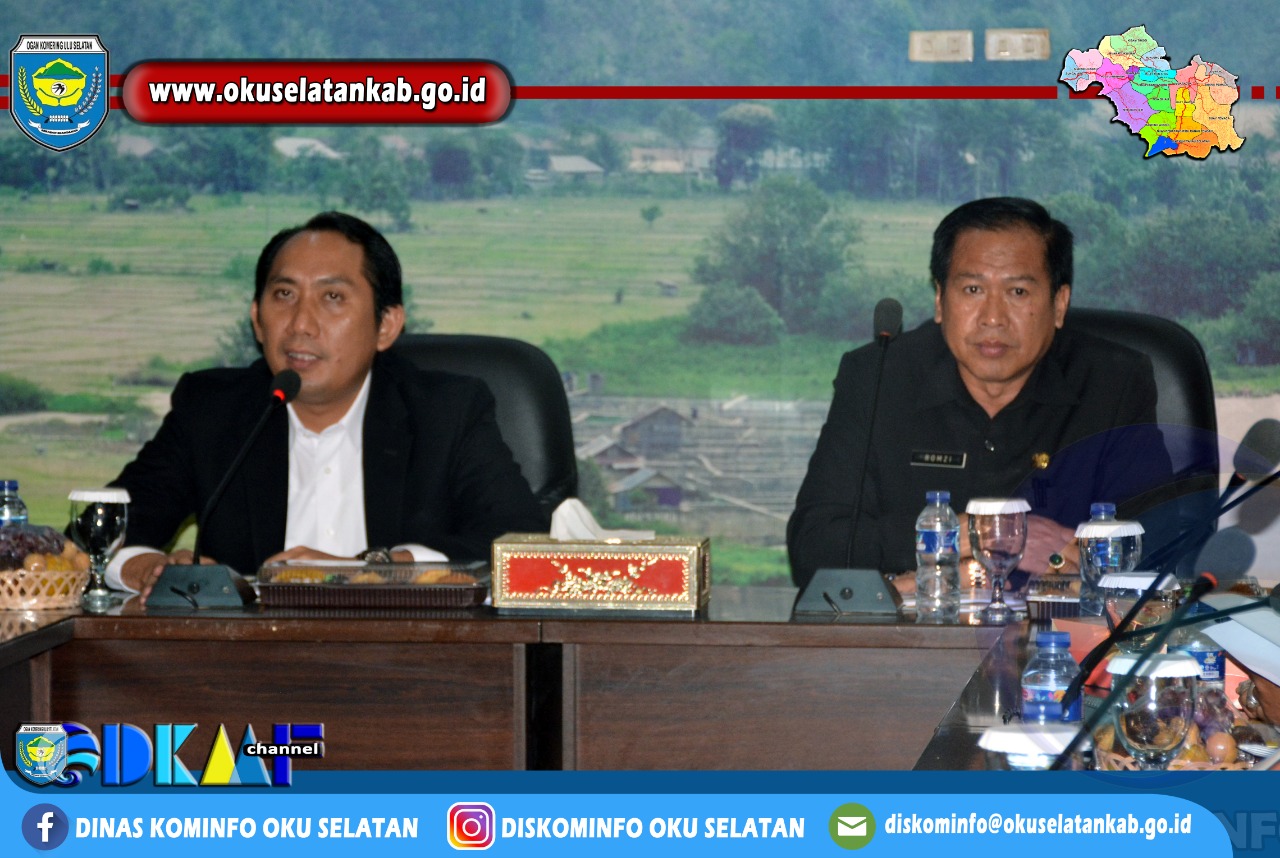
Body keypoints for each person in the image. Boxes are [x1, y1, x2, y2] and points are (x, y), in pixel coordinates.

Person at [108, 211, 547, 594]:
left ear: (386, 325)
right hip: (250, 657)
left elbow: (520, 543)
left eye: (332, 297)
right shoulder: (213, 411)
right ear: (257, 319)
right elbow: (100, 526)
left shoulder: (446, 413)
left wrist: (378, 569)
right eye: (284, 295)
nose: (301, 323)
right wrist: (146, 568)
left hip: (408, 654)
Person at [788, 197, 1206, 589]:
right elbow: (813, 547)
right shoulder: (878, 377)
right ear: (940, 300)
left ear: (1059, 304)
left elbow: (1159, 548)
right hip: (918, 634)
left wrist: (1070, 568)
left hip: (1063, 634)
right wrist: (973, 535)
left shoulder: (1112, 383)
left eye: (1017, 292)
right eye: (972, 290)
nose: (993, 318)